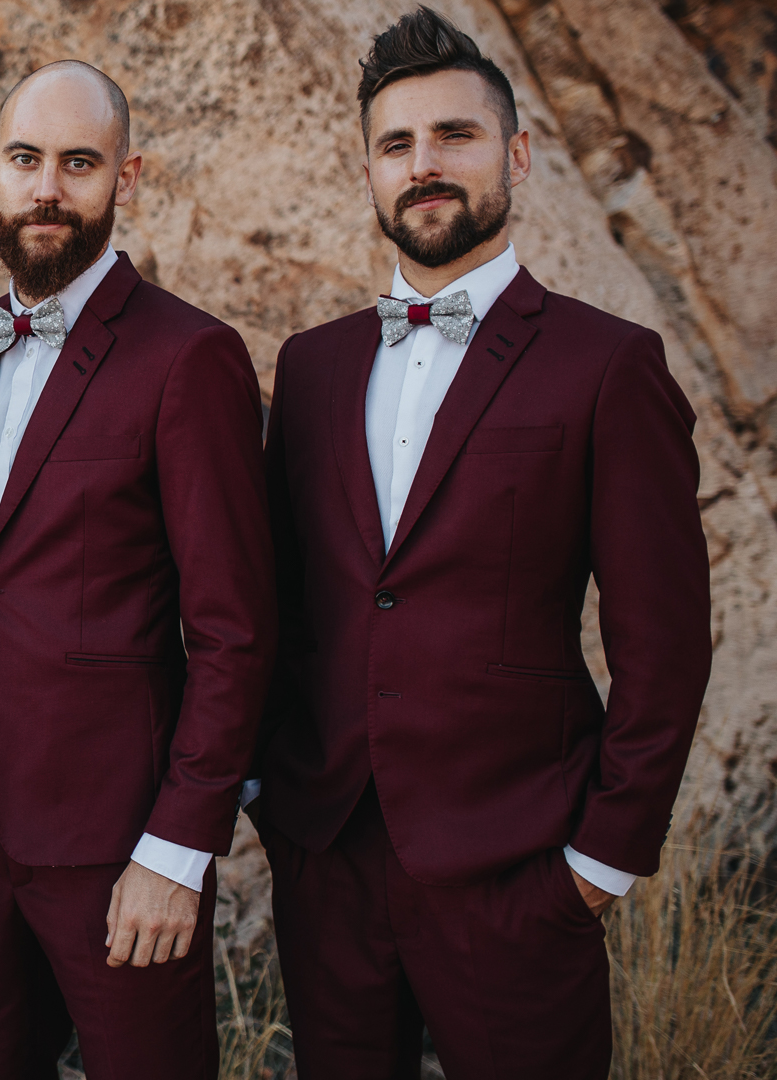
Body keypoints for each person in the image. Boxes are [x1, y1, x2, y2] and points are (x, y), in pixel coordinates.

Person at [250, 9, 712, 1077]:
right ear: (370, 173)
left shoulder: (609, 366)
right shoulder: (311, 368)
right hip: (328, 858)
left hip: (521, 866)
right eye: (396, 144)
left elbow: (666, 642)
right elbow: (276, 598)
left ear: (518, 155)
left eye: (454, 135)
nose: (424, 165)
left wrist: (600, 862)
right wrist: (266, 790)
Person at [0, 61, 277, 1079]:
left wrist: (179, 848)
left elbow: (233, 630)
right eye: (26, 160)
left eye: (79, 163)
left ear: (124, 178)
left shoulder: (191, 356)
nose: (47, 188)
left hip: (122, 837)